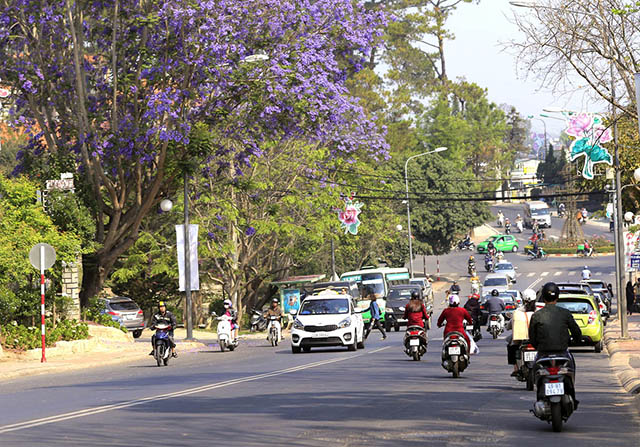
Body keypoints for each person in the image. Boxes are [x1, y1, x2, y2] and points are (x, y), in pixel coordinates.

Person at [529, 282, 582, 406]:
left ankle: (539, 399)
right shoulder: (565, 313)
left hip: (543, 354)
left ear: (543, 298)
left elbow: (532, 338)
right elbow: (576, 332)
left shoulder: (537, 315)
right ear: (557, 297)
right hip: (562, 353)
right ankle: (572, 397)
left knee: (536, 373)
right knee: (571, 369)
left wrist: (539, 347)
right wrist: (575, 341)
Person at [506, 289, 536, 376]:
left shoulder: (518, 311)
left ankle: (515, 367)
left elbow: (510, 324)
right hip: (536, 337)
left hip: (521, 337)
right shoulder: (538, 310)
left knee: (511, 345)